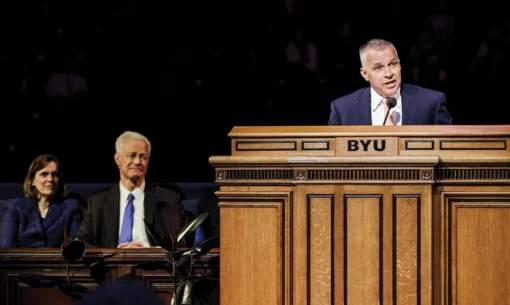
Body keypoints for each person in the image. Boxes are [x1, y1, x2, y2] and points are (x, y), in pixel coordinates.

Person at [76, 131, 187, 248]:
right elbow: (81, 243)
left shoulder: (168, 199)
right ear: (118, 158)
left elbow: (185, 241)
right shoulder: (97, 203)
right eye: (132, 155)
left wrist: (155, 252)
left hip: (156, 264)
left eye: (143, 157)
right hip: (111, 264)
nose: (138, 162)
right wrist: (114, 254)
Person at [328, 38, 452, 125]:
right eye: (378, 68)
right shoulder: (342, 109)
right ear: (365, 74)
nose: (389, 74)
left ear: (400, 65)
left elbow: (448, 150)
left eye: (393, 64)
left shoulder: (432, 102)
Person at [0, 154, 82, 248]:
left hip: (57, 262)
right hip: (20, 262)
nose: (50, 179)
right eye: (44, 174)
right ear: (33, 180)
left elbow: (74, 249)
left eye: (55, 174)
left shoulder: (71, 207)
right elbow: (6, 249)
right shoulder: (17, 207)